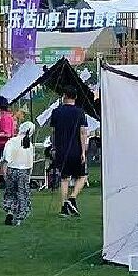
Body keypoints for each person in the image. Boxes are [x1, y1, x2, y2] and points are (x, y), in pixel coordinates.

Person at [50, 89, 89, 218]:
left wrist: (54, 147)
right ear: (75, 97)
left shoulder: (56, 112)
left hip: (61, 150)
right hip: (76, 149)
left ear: (64, 96)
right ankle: (72, 197)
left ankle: (64, 206)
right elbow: (83, 132)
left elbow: (53, 132)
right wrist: (83, 151)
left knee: (64, 178)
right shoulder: (80, 112)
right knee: (82, 176)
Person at [1, 119, 36, 226]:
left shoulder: (11, 142)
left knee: (10, 192)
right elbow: (30, 163)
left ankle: (9, 211)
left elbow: (6, 159)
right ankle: (19, 217)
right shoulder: (29, 145)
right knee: (22, 194)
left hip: (12, 170)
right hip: (24, 171)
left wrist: (4, 172)